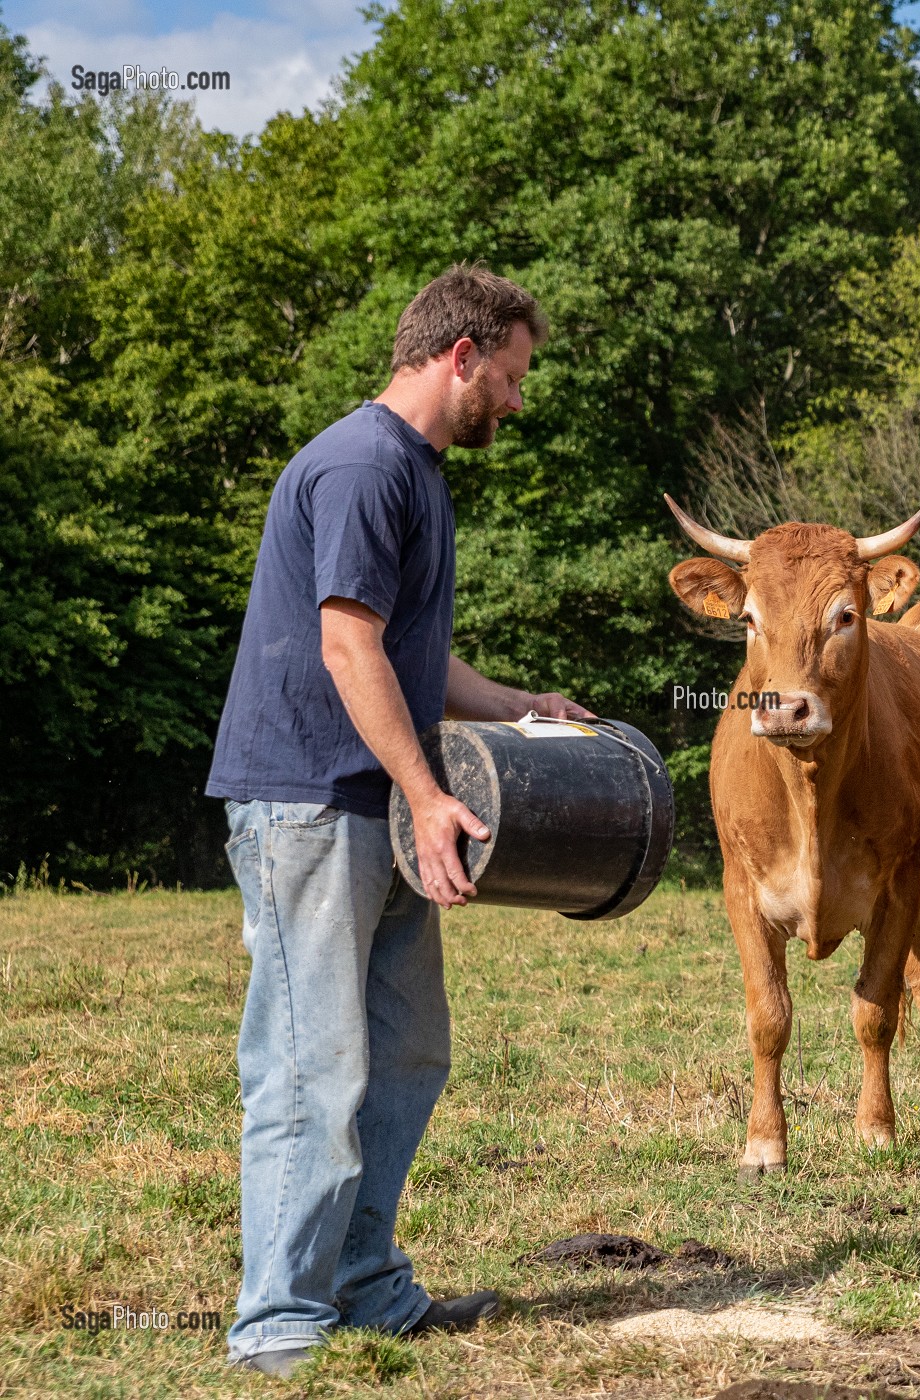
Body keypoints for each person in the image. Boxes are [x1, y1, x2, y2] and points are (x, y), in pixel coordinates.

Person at [206, 263, 592, 1379]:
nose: (517, 402)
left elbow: (414, 653)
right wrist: (429, 796)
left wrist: (524, 706)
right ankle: (278, 1318)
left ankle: (364, 1284)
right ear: (460, 356)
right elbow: (346, 644)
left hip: (370, 802)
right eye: (513, 377)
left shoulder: (415, 473)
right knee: (308, 1063)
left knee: (408, 1048)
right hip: (310, 804)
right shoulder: (367, 463)